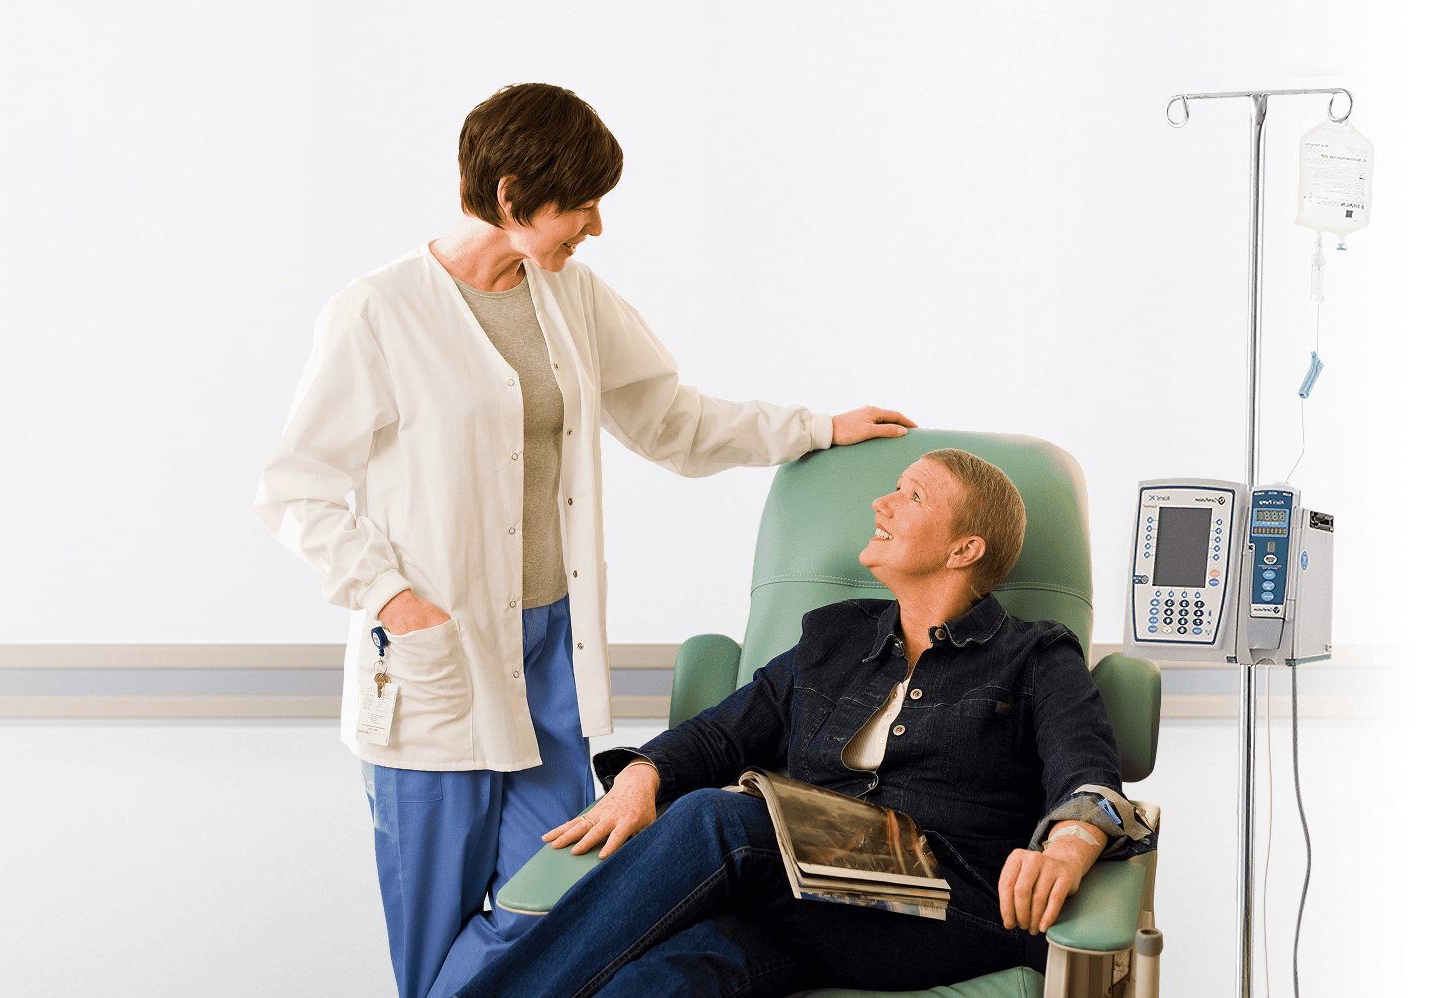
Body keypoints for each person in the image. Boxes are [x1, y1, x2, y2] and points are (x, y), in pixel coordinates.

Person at [252, 82, 916, 998]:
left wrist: (814, 428)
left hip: (551, 657)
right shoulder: (377, 313)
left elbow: (671, 421)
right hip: (435, 661)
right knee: (433, 934)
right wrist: (397, 603)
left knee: (566, 905)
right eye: (581, 204)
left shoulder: (571, 294)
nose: (596, 227)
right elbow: (296, 489)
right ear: (512, 196)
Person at [453, 449, 1160, 998]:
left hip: (950, 905)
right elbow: (723, 734)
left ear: (963, 549)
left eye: (912, 496)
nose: (881, 502)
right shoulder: (834, 638)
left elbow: (1087, 774)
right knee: (661, 982)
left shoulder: (1034, 654)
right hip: (809, 899)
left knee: (717, 821)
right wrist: (642, 776)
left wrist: (1066, 848)